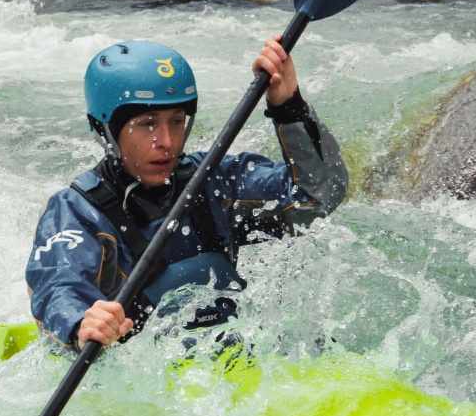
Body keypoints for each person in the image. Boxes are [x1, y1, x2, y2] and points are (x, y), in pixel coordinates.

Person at [24, 38, 348, 349]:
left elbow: (318, 194)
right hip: (135, 363)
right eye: (148, 123)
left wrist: (288, 104)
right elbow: (58, 285)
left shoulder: (214, 180)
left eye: (177, 121)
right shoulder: (77, 211)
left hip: (225, 349)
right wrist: (81, 324)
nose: (166, 141)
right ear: (105, 129)